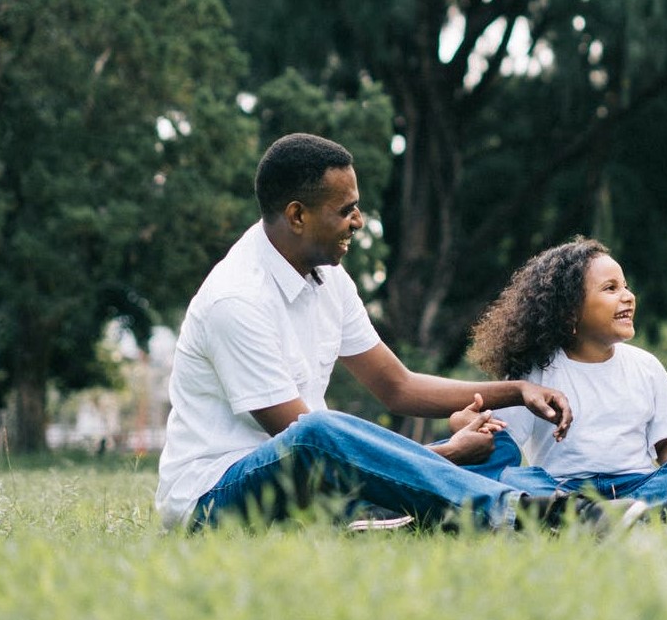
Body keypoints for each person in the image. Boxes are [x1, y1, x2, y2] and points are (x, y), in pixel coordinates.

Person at [155, 133, 614, 534]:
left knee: (491, 450)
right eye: (346, 210)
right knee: (317, 429)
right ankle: (516, 513)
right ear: (297, 215)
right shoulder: (236, 300)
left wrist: (516, 391)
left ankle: (584, 503)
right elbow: (306, 445)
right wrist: (444, 456)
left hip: (310, 480)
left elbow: (398, 387)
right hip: (216, 497)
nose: (358, 221)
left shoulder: (328, 278)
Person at [464, 237, 667, 517]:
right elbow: (503, 442)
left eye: (626, 286)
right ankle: (609, 515)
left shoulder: (645, 366)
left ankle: (613, 515)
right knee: (514, 479)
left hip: (636, 484)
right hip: (562, 490)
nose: (627, 296)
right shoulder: (534, 372)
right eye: (610, 288)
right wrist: (468, 423)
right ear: (569, 311)